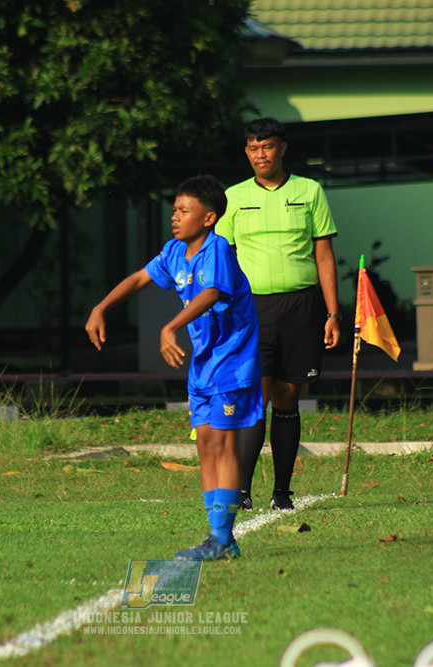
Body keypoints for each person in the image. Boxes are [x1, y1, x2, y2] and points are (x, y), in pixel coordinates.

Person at [85, 175, 262, 561]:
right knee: (203, 444)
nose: (175, 217)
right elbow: (139, 278)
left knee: (223, 443)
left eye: (184, 210)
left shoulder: (217, 250)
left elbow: (212, 292)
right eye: (174, 209)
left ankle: (221, 537)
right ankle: (220, 538)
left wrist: (171, 325)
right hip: (203, 364)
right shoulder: (172, 252)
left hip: (232, 361)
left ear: (209, 218)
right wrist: (101, 308)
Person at [216, 117, 342, 511]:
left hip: (302, 306)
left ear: (282, 148)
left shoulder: (310, 191)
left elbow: (323, 254)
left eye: (266, 147)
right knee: (257, 395)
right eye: (253, 149)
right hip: (251, 309)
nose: (260, 155)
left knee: (288, 396)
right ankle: (241, 490)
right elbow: (222, 257)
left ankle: (282, 493)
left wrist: (333, 312)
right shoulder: (233, 197)